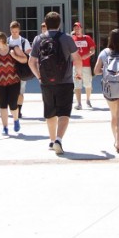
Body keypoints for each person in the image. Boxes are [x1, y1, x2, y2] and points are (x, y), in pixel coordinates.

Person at [29, 11, 81, 155]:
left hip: (46, 82)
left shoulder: (38, 39)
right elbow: (77, 58)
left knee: (50, 111)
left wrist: (39, 76)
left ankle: (52, 140)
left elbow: (31, 62)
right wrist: (78, 73)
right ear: (60, 23)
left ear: (45, 23)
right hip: (65, 80)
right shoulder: (67, 38)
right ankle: (58, 139)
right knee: (64, 112)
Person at [7, 21, 32, 121]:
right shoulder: (7, 40)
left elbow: (27, 56)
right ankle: (9, 106)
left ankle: (19, 110)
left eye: (16, 32)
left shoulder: (23, 41)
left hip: (21, 69)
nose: (14, 33)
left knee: (20, 91)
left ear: (19, 31)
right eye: (12, 32)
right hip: (9, 69)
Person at [70, 22, 96, 110]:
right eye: (75, 28)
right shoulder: (72, 39)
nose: (77, 29)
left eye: (78, 28)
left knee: (88, 83)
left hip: (86, 65)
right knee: (77, 84)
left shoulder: (87, 38)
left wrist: (87, 55)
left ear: (81, 28)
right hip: (76, 65)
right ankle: (79, 103)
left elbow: (93, 50)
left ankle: (88, 100)